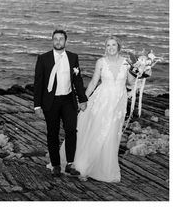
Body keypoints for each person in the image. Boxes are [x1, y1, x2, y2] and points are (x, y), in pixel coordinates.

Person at [70, 37, 135, 182]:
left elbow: (131, 82)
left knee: (111, 134)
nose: (111, 47)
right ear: (105, 47)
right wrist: (83, 99)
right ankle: (83, 167)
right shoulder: (101, 62)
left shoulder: (127, 62)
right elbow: (93, 82)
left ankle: (104, 168)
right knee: (97, 131)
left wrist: (140, 71)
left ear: (119, 46)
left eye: (113, 45)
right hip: (101, 101)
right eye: (108, 45)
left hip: (119, 103)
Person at [33, 29, 87, 177]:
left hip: (68, 100)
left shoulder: (73, 57)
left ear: (65, 41)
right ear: (52, 41)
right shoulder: (43, 58)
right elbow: (38, 83)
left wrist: (82, 99)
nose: (58, 41)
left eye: (61, 39)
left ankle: (70, 164)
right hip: (51, 102)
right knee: (52, 133)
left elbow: (77, 79)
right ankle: (56, 165)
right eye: (55, 39)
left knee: (71, 130)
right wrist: (37, 105)